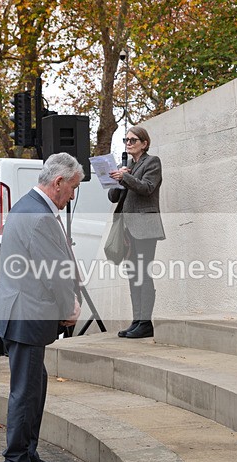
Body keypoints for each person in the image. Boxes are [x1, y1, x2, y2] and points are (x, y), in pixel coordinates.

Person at [0, 153, 82, 462]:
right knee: (26, 392)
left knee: (34, 387)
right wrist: (69, 309)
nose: (72, 195)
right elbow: (52, 272)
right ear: (58, 183)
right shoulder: (38, 214)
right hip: (26, 313)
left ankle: (27, 453)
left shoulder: (29, 205)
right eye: (72, 187)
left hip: (20, 311)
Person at [108, 126, 165, 339]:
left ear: (144, 143)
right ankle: (136, 320)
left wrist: (125, 178)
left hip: (145, 227)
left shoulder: (152, 162)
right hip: (127, 227)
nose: (128, 143)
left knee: (143, 274)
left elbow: (147, 187)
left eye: (133, 140)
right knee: (133, 275)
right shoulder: (128, 166)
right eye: (126, 140)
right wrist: (115, 181)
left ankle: (145, 322)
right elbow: (115, 197)